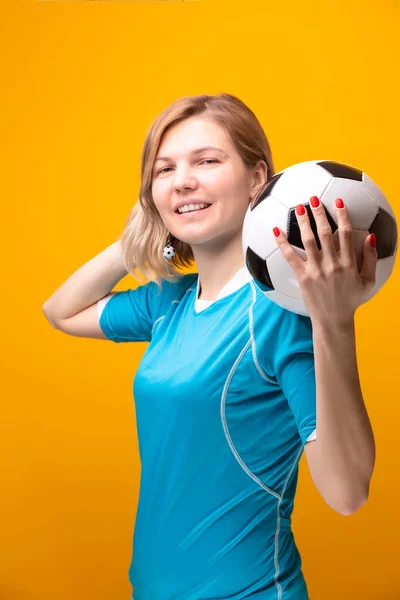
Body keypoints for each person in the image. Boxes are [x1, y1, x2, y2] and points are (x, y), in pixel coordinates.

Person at [42, 93, 376, 599]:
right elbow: (60, 311)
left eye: (207, 161)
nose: (182, 180)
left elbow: (347, 493)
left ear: (258, 179)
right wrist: (135, 238)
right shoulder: (169, 303)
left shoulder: (282, 313)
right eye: (164, 170)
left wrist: (333, 323)